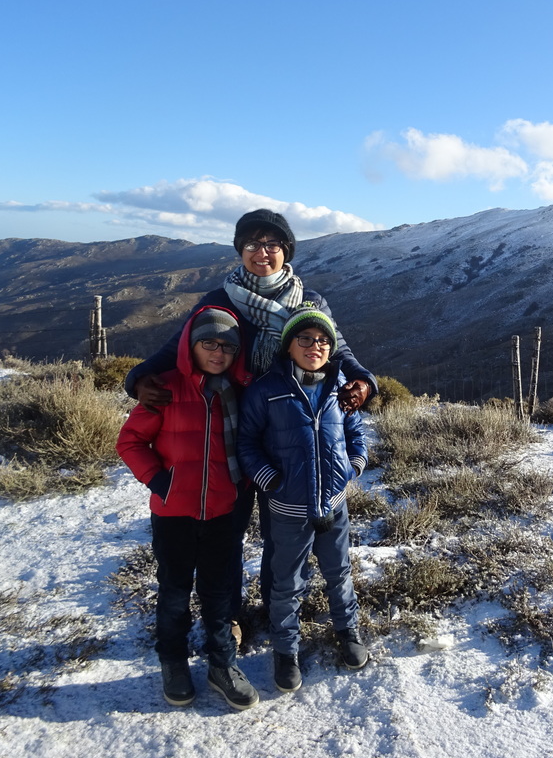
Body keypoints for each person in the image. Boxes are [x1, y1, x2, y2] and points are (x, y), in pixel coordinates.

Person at [124, 209, 377, 641]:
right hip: (232, 431)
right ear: (240, 250)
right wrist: (138, 379)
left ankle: (277, 603)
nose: (263, 252)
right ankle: (232, 614)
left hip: (293, 432)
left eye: (272, 244)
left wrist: (363, 381)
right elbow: (179, 347)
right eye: (253, 244)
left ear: (287, 251)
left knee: (282, 529)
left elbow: (338, 348)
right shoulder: (219, 300)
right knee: (231, 527)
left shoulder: (309, 300)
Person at [116, 306, 259, 711]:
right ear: (190, 346)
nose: (218, 353)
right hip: (173, 513)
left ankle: (222, 665)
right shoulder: (164, 388)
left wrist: (241, 483)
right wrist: (162, 482)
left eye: (227, 346)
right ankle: (174, 663)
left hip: (223, 510)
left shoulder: (238, 391)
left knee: (218, 593)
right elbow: (129, 443)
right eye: (208, 343)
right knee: (174, 592)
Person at [238, 301, 371, 692]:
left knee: (339, 571)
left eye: (323, 341)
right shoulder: (266, 390)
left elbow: (356, 435)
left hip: (334, 503)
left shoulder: (340, 391)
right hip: (287, 507)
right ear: (288, 344)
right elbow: (246, 442)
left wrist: (354, 468)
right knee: (287, 582)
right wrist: (270, 480)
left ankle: (348, 632)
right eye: (306, 338)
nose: (315, 346)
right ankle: (286, 651)